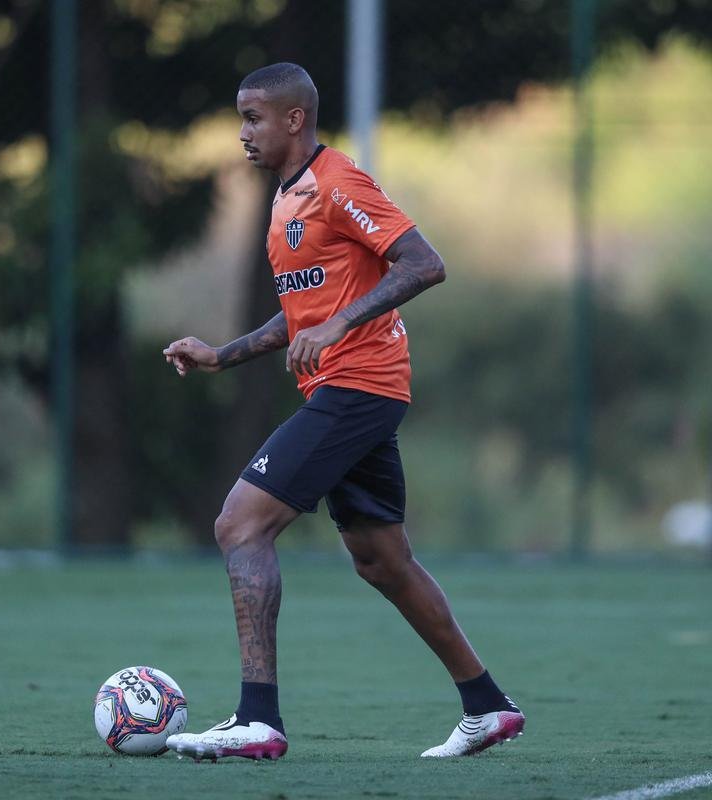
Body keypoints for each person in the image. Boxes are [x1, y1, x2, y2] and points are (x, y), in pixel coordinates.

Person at [162, 62, 524, 762]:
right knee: (382, 561)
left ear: (294, 119)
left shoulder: (337, 183)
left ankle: (257, 719)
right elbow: (303, 315)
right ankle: (486, 704)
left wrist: (338, 329)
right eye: (241, 119)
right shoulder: (287, 199)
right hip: (349, 387)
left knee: (240, 524)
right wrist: (224, 354)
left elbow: (423, 263)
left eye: (252, 117)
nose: (243, 133)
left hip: (359, 385)